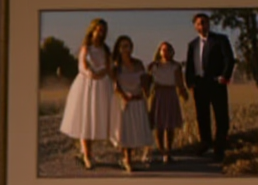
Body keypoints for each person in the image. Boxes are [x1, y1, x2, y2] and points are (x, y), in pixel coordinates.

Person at [57, 18, 117, 168]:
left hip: (102, 85)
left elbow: (109, 68)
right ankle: (87, 155)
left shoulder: (106, 49)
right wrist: (91, 73)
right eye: (98, 29)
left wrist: (110, 77)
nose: (101, 33)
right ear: (92, 30)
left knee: (98, 119)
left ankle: (91, 152)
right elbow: (82, 66)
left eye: (103, 30)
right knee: (86, 120)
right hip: (87, 85)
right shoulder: (86, 48)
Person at [185, 10, 235, 160]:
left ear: (209, 24)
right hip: (200, 85)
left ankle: (219, 146)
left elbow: (229, 59)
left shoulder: (220, 40)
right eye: (199, 23)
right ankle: (205, 143)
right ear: (195, 26)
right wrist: (190, 82)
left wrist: (225, 76)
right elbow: (189, 66)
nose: (202, 25)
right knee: (202, 116)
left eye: (205, 22)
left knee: (221, 115)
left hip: (216, 83)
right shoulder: (193, 44)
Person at [111, 34, 150, 172]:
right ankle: (127, 160)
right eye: (123, 46)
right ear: (119, 48)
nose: (126, 49)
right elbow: (115, 86)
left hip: (138, 99)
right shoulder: (116, 66)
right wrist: (124, 95)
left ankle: (131, 156)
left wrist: (146, 93)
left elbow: (144, 80)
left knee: (135, 131)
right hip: (124, 101)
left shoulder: (138, 63)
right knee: (125, 132)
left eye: (128, 45)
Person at [147, 40, 186, 165]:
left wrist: (183, 93)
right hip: (158, 94)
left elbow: (179, 82)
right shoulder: (154, 66)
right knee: (159, 125)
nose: (165, 52)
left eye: (168, 50)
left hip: (170, 94)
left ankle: (168, 152)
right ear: (159, 51)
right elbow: (148, 82)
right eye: (163, 50)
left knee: (170, 125)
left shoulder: (176, 66)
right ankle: (161, 150)